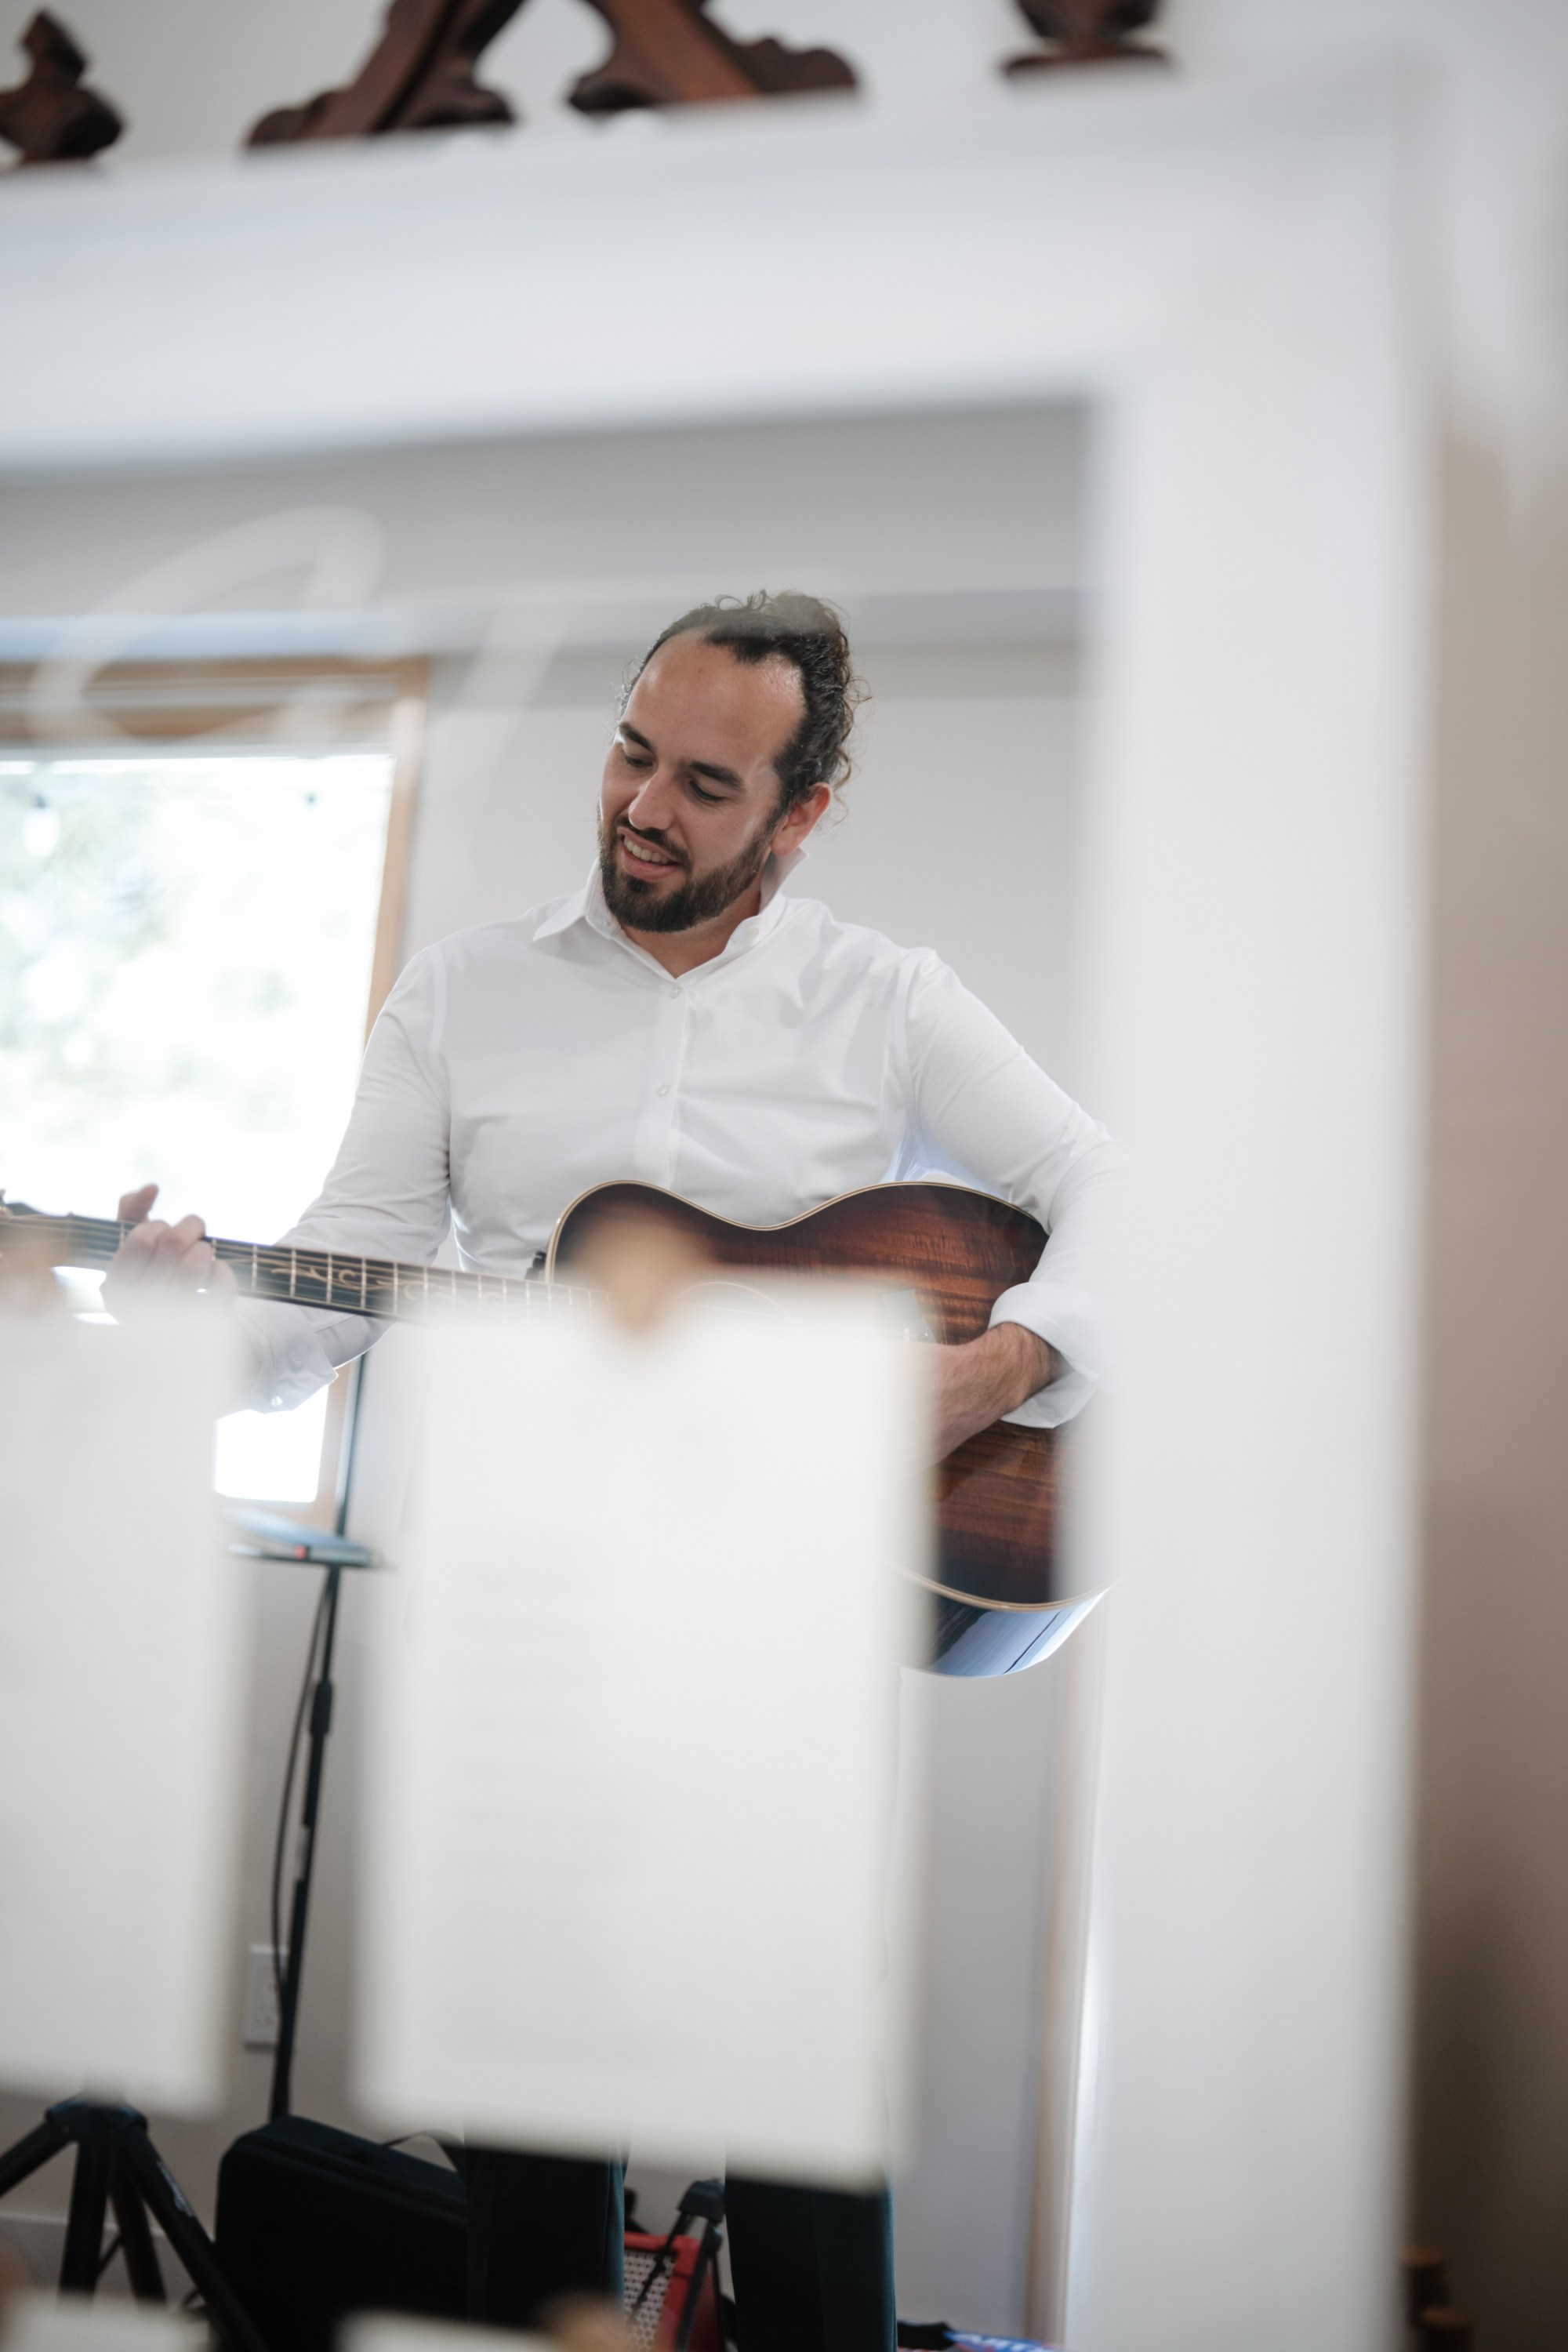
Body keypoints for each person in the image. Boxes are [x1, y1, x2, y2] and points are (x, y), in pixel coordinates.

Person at [109, 591, 1122, 2349]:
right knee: (533, 2186)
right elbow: (336, 1288)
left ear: (801, 813)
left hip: (782, 1656)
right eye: (631, 753)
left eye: (706, 785)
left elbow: (1133, 1191)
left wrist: (998, 1365)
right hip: (528, 1654)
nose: (644, 807)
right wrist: (184, 1324)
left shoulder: (884, 1000)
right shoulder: (464, 995)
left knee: (809, 2185)